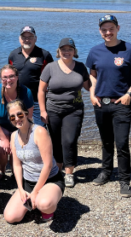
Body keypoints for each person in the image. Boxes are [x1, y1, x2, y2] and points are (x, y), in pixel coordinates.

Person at [87, 15, 131, 198]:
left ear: (118, 28)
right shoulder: (95, 51)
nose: (108, 32)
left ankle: (124, 180)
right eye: (104, 29)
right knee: (105, 141)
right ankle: (105, 172)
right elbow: (93, 75)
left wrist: (129, 94)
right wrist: (91, 93)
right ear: (100, 31)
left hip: (121, 104)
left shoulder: (130, 49)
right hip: (100, 103)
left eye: (111, 28)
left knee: (121, 144)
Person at [38, 38, 91, 188]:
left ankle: (69, 173)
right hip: (53, 109)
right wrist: (43, 110)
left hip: (74, 110)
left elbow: (89, 86)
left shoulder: (80, 67)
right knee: (55, 141)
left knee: (69, 140)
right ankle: (58, 169)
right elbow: (41, 90)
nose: (66, 52)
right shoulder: (50, 67)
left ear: (74, 51)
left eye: (70, 49)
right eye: (63, 49)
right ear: (58, 51)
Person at [2, 100, 64, 224]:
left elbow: (48, 165)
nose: (16, 119)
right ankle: (33, 203)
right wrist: (20, 188)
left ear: (26, 114)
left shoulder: (39, 131)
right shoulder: (14, 136)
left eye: (19, 115)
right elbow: (17, 164)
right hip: (28, 182)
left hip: (49, 180)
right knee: (10, 217)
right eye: (12, 117)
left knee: (45, 204)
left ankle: (45, 206)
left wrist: (35, 191)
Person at [0, 64, 35, 182]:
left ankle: (15, 172)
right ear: (1, 79)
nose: (8, 80)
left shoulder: (26, 92)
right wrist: (4, 139)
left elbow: (28, 118)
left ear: (17, 77)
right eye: (5, 77)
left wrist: (18, 137)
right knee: (3, 149)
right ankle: (2, 170)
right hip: (0, 126)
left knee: (15, 150)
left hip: (19, 127)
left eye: (11, 76)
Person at [8, 26, 52, 126]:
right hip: (18, 99)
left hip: (38, 100)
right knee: (19, 127)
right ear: (20, 39)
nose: (27, 40)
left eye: (30, 37)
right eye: (24, 37)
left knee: (39, 128)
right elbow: (9, 77)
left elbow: (51, 77)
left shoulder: (44, 55)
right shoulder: (13, 55)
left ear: (35, 38)